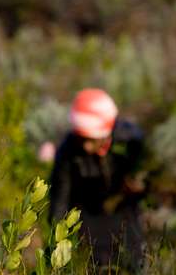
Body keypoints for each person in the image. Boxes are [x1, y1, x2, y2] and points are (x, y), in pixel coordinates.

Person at [49, 89, 146, 271]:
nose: (85, 146)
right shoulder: (68, 151)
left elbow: (153, 177)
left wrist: (140, 188)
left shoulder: (131, 140)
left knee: (130, 265)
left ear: (106, 132)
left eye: (91, 139)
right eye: (81, 138)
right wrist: (57, 240)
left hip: (124, 216)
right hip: (86, 217)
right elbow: (60, 198)